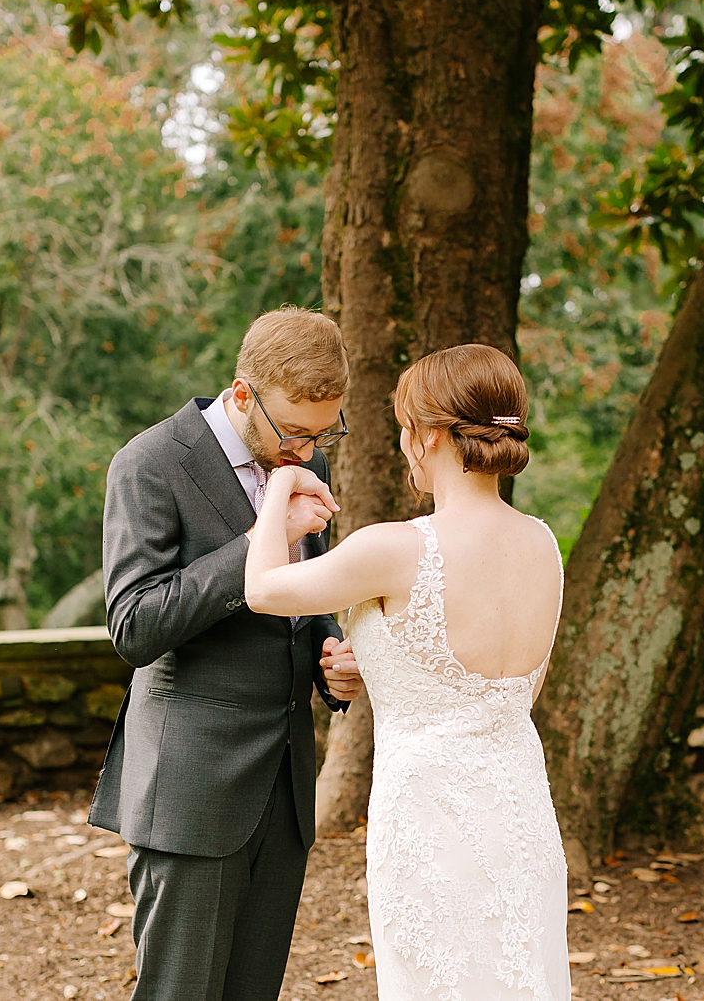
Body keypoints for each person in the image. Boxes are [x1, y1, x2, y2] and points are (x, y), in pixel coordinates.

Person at [243, 343, 568, 997]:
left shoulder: (394, 548)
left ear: (431, 434)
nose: (402, 440)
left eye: (404, 424)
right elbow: (510, 689)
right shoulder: (543, 542)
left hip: (428, 818)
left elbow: (263, 588)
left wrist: (279, 484)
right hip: (521, 812)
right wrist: (381, 662)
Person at [86, 307, 366, 1001]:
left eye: (323, 430)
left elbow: (303, 599)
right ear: (242, 395)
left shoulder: (306, 460)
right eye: (295, 430)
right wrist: (255, 544)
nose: (307, 450)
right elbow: (134, 625)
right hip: (191, 788)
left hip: (285, 786)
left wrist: (333, 657)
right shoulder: (149, 463)